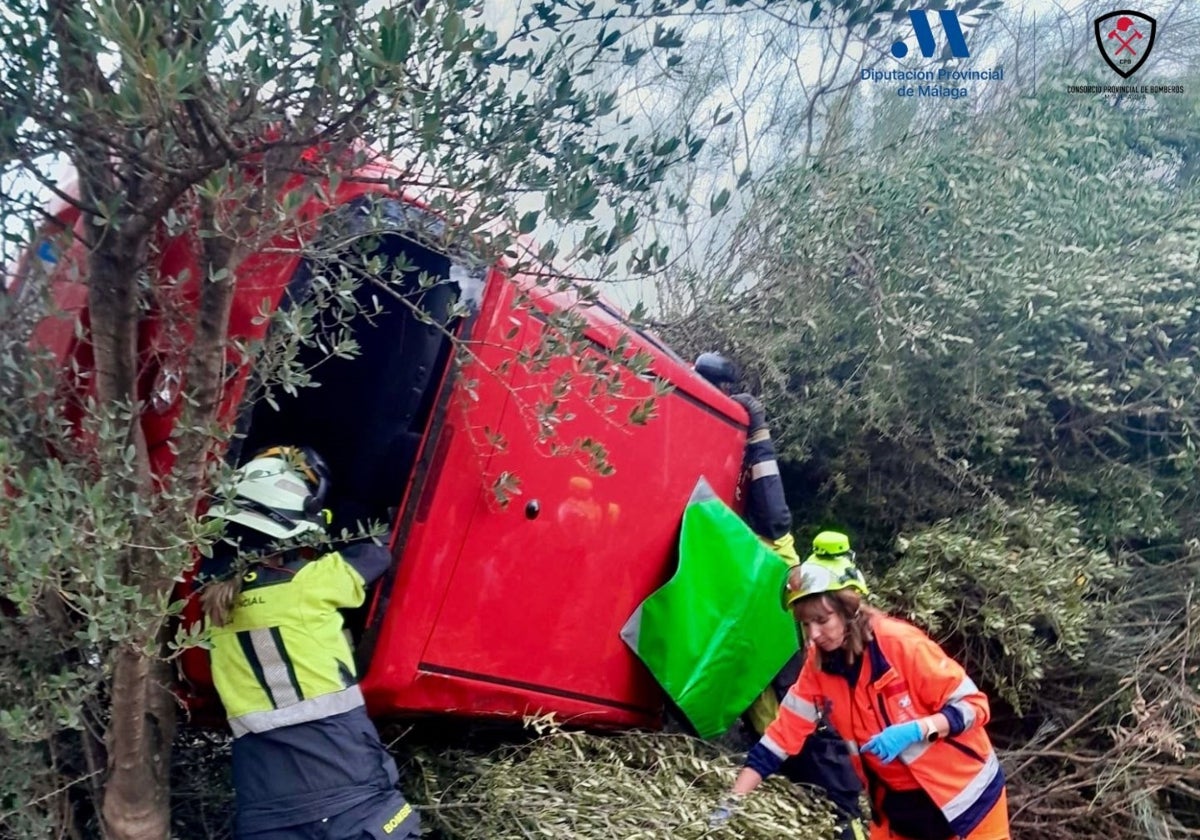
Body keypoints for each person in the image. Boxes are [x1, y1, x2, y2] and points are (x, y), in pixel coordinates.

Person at [714, 541, 1010, 840]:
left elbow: (973, 706)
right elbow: (781, 737)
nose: (814, 634)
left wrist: (919, 729)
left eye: (822, 620)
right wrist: (733, 801)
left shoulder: (899, 644)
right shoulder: (818, 667)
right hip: (899, 812)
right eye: (805, 624)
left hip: (968, 807)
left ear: (848, 610)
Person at [199, 445, 420, 840]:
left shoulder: (214, 611)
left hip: (265, 806)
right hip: (344, 784)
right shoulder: (307, 585)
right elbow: (375, 554)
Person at [695, 352, 865, 840]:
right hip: (752, 587)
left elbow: (773, 512)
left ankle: (844, 817)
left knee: (809, 716)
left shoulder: (742, 423)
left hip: (772, 582)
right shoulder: (716, 426)